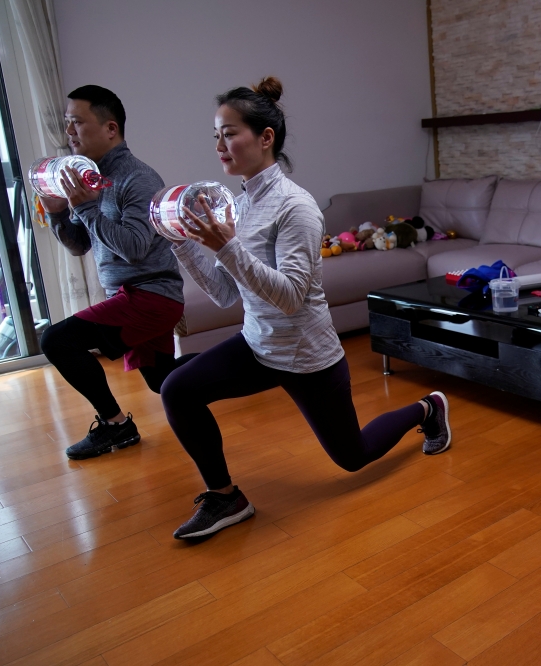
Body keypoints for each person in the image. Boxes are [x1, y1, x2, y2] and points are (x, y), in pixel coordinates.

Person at [161, 76, 451, 540]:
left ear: (265, 137)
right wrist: (183, 244)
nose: (219, 144)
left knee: (351, 456)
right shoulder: (238, 205)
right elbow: (225, 294)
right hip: (259, 345)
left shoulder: (297, 207)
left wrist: (228, 247)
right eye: (215, 134)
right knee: (178, 389)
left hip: (307, 356)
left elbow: (292, 296)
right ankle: (225, 497)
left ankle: (427, 408)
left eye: (229, 132)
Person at [39, 85, 185, 460]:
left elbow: (135, 247)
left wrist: (86, 209)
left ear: (110, 128)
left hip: (149, 294)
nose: (69, 132)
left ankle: (116, 426)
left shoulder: (138, 178)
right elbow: (79, 244)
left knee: (56, 341)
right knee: (164, 382)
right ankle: (253, 358)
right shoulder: (88, 178)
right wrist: (57, 210)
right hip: (131, 295)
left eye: (77, 122)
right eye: (67, 123)